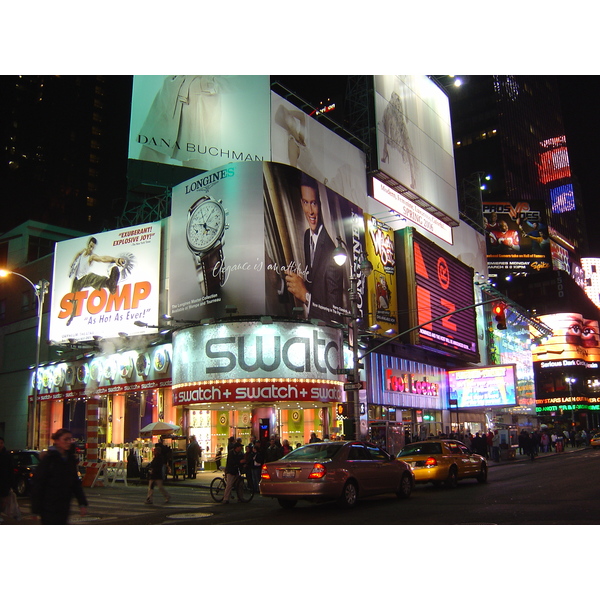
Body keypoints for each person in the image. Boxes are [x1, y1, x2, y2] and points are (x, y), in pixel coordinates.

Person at [284, 173, 343, 322]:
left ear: (320, 205)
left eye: (314, 203)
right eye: (305, 202)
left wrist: (305, 295)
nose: (310, 211)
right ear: (301, 203)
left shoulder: (332, 255)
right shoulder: (306, 237)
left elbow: (334, 315)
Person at [30, 429, 88, 524]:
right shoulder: (49, 459)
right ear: (57, 441)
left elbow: (75, 483)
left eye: (70, 439)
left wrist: (82, 503)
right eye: (65, 439)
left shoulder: (70, 459)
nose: (68, 442)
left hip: (64, 505)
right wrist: (35, 509)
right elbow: (38, 484)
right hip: (49, 505)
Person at [66, 236, 127, 326]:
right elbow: (78, 254)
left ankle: (109, 283)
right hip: (76, 280)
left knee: (92, 277)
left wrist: (115, 259)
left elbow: (102, 258)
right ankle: (71, 316)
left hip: (84, 278)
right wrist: (73, 262)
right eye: (90, 246)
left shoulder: (92, 257)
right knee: (73, 299)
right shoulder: (83, 251)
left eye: (93, 247)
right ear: (88, 245)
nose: (91, 249)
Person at [0, 437, 15, 522]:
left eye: (1, 443)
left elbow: (10, 470)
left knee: (3, 500)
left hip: (4, 482)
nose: (0, 445)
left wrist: (11, 483)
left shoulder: (7, 456)